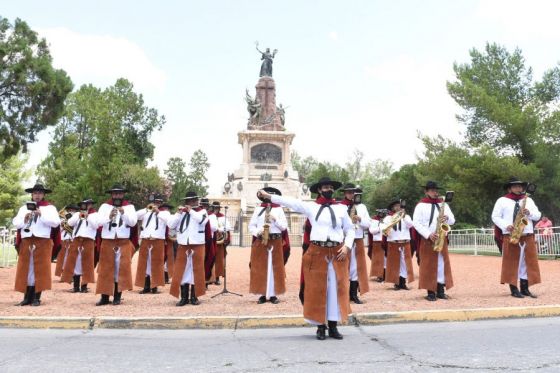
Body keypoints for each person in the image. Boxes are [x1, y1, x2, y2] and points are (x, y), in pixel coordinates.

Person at [258, 177, 355, 341]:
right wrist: (270, 197)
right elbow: (291, 202)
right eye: (325, 187)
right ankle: (320, 326)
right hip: (317, 251)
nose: (329, 189)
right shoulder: (311, 207)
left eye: (331, 187)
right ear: (319, 190)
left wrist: (347, 246)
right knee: (317, 290)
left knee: (335, 289)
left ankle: (333, 325)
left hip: (338, 251)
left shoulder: (341, 209)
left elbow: (350, 229)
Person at [492, 177, 541, 298]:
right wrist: (506, 225)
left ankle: (525, 288)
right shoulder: (502, 201)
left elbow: (538, 215)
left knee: (527, 263)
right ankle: (514, 289)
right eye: (515, 186)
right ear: (509, 188)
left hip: (527, 235)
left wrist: (529, 213)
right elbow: (495, 216)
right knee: (513, 263)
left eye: (520, 186)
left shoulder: (528, 200)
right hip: (511, 234)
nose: (518, 188)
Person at [12, 183, 61, 306]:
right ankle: (27, 297)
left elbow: (56, 223)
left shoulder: (49, 208)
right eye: (35, 193)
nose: (37, 195)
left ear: (43, 194)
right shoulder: (24, 208)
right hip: (27, 240)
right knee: (26, 269)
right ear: (32, 195)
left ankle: (36, 298)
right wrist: (24, 219)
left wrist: (41, 215)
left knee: (40, 270)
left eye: (39, 193)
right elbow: (16, 223)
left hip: (42, 240)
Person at [95, 184, 138, 306]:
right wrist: (109, 217)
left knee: (121, 269)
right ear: (112, 194)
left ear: (123, 194)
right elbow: (98, 222)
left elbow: (133, 222)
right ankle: (104, 297)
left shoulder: (129, 207)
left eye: (119, 193)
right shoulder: (105, 206)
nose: (117, 196)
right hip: (108, 240)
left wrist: (123, 213)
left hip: (123, 241)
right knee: (105, 269)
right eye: (115, 193)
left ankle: (117, 296)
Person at [413, 181, 455, 301]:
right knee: (428, 265)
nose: (435, 192)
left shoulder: (443, 204)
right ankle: (430, 291)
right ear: (426, 191)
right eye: (432, 190)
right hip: (428, 239)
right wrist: (428, 234)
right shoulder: (420, 205)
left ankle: (440, 290)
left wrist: (447, 218)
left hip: (441, 237)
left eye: (436, 190)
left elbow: (452, 220)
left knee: (442, 264)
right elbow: (416, 223)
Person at [167, 191, 209, 306]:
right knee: (182, 271)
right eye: (188, 201)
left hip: (197, 244)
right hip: (183, 244)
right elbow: (170, 225)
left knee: (197, 270)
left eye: (193, 200)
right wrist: (178, 213)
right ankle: (184, 297)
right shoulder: (182, 213)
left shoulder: (203, 211)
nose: (190, 202)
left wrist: (191, 211)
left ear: (196, 200)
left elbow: (202, 221)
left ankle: (194, 297)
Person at [249, 187, 288, 304]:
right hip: (262, 240)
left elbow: (284, 227)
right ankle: (262, 294)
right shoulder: (258, 209)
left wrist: (275, 219)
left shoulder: (279, 209)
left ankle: (273, 294)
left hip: (275, 241)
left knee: (275, 267)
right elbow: (251, 226)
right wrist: (257, 232)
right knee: (261, 267)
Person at [338, 183, 371, 304]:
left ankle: (353, 295)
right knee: (343, 267)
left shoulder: (362, 207)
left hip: (358, 239)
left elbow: (369, 224)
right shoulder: (340, 206)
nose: (350, 194)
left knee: (356, 268)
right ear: (345, 193)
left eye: (352, 192)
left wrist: (360, 219)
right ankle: (343, 294)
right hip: (344, 240)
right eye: (348, 192)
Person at [135, 194, 172, 294]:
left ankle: (155, 286)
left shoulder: (165, 213)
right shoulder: (146, 212)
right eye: (155, 202)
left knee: (157, 263)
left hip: (157, 240)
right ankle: (146, 286)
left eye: (159, 202)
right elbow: (136, 215)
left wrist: (158, 212)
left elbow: (169, 221)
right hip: (146, 239)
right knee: (144, 263)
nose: (156, 204)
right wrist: (146, 209)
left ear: (161, 203)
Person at [63, 199, 98, 293]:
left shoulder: (95, 214)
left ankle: (84, 286)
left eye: (87, 204)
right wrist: (77, 216)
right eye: (83, 204)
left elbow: (96, 226)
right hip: (77, 239)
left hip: (88, 240)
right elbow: (69, 223)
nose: (85, 206)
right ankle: (76, 286)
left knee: (87, 263)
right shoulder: (76, 214)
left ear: (91, 205)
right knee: (75, 262)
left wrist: (88, 217)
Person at [381, 199, 415, 290]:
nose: (398, 207)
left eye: (399, 206)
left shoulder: (406, 216)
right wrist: (386, 230)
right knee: (394, 264)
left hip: (405, 242)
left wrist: (403, 216)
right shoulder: (388, 218)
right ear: (393, 208)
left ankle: (403, 283)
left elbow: (411, 225)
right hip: (393, 242)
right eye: (395, 206)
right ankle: (396, 283)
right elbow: (383, 228)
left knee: (405, 264)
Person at [54, 204, 79, 280]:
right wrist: (66, 220)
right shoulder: (62, 218)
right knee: (62, 258)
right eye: (70, 210)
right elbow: (62, 225)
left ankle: (70, 275)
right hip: (64, 239)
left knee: (71, 258)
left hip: (72, 239)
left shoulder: (78, 218)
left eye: (73, 210)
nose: (72, 211)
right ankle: (63, 274)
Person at [212, 201, 231, 285]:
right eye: (214, 208)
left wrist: (221, 229)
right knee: (209, 259)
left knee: (219, 260)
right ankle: (209, 278)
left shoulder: (223, 217)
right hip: (210, 240)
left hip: (219, 241)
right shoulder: (209, 216)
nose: (216, 209)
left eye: (217, 208)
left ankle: (217, 278)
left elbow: (228, 228)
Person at [369, 209, 387, 282]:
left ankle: (385, 275)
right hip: (377, 242)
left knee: (385, 259)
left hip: (385, 241)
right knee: (378, 260)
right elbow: (371, 231)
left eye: (383, 213)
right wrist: (379, 228)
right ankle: (379, 275)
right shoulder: (374, 220)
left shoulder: (387, 220)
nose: (381, 214)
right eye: (380, 213)